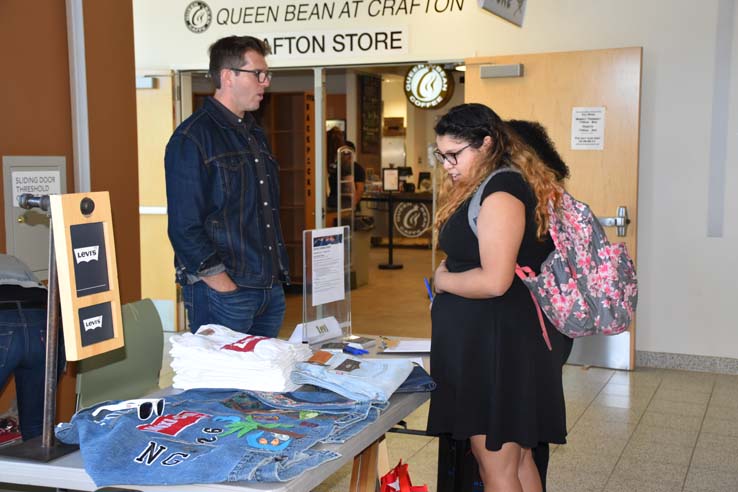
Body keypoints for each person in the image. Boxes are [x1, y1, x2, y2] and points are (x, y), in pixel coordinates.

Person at [427, 103, 568, 492]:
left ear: (487, 144)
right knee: (517, 461)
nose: (448, 164)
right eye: (442, 155)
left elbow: (495, 281)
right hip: (491, 343)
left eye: (455, 154)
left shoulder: (502, 191)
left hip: (497, 350)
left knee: (498, 470)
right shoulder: (492, 185)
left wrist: (443, 281)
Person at [165, 36, 289, 337]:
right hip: (223, 294)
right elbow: (184, 228)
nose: (265, 82)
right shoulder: (191, 138)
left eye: (266, 74)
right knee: (221, 384)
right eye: (258, 73)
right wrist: (226, 288)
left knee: (261, 382)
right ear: (227, 76)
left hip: (267, 291)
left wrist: (273, 283)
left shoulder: (254, 134)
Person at [507, 119, 574, 492]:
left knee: (519, 440)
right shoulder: (552, 195)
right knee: (531, 437)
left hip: (529, 326)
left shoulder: (519, 201)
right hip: (551, 325)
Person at [0, 254, 65, 441]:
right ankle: (40, 467)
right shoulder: (13, 260)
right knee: (38, 427)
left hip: (3, 321)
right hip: (42, 323)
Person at [327, 140, 366, 212]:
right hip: (334, 204)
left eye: (344, 154)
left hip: (348, 207)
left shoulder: (357, 169)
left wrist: (351, 206)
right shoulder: (335, 167)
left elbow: (359, 190)